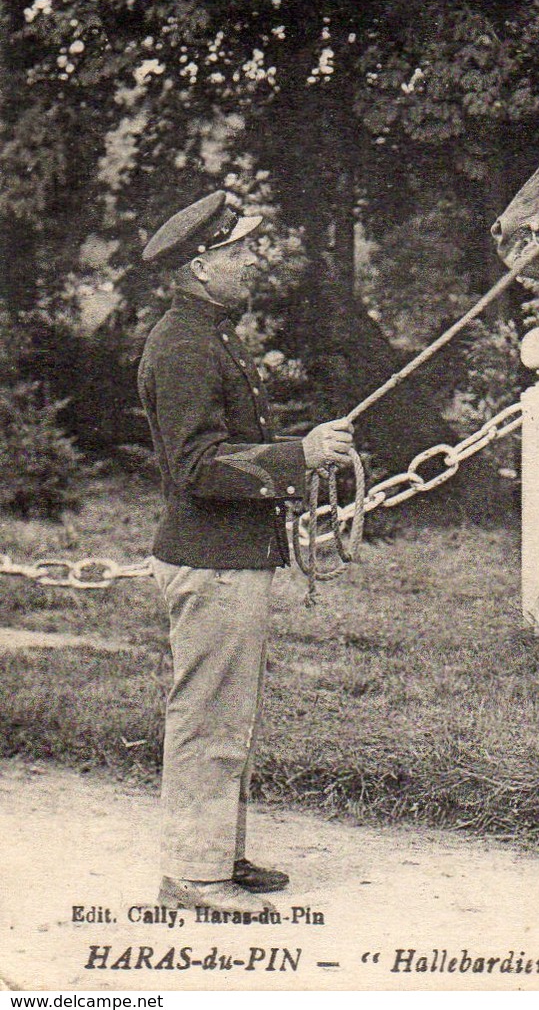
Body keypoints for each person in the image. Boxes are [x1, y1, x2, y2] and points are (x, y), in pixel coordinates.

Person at [137, 191, 354, 913]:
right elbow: (196, 468)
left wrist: (301, 452)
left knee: (229, 713)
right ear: (201, 266)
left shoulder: (209, 334)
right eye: (239, 252)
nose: (250, 261)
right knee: (208, 715)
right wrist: (299, 455)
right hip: (211, 561)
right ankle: (195, 877)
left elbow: (228, 447)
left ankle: (215, 853)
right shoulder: (186, 346)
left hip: (229, 555)